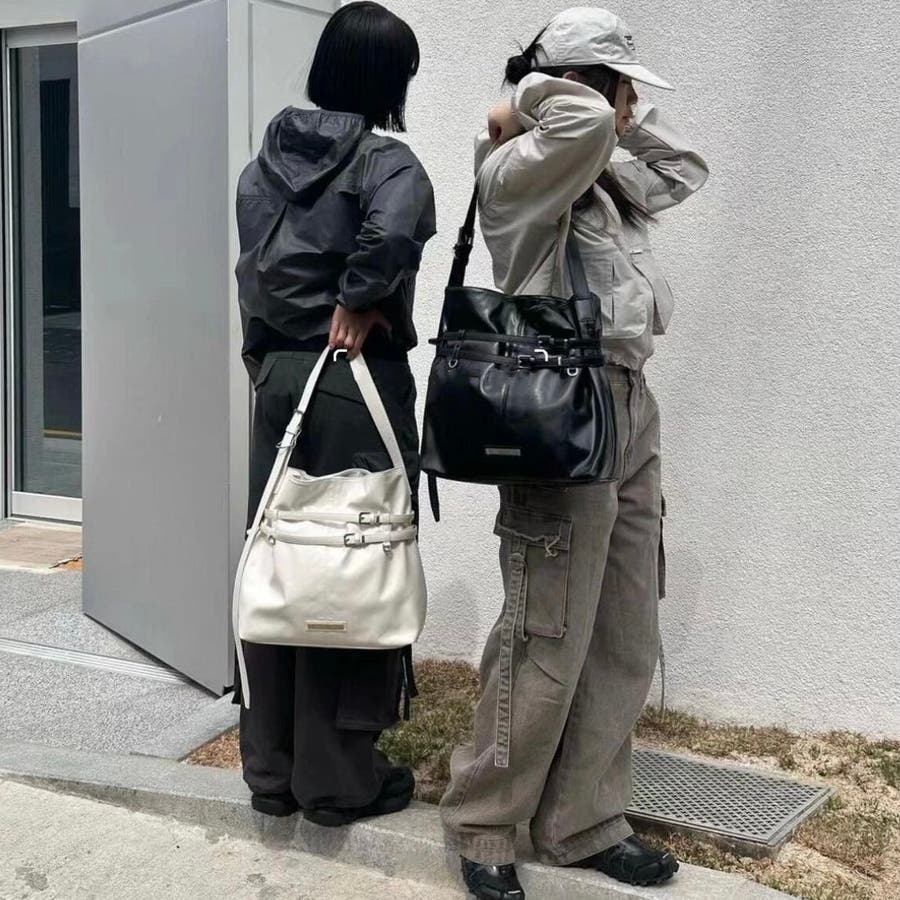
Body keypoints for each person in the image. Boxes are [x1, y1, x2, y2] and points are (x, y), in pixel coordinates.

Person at [438, 7, 708, 898]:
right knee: (545, 628)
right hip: (560, 410)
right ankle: (485, 822)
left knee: (625, 628)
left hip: (629, 404)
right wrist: (530, 97)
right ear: (584, 85)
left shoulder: (600, 168)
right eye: (622, 86)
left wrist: (629, 114)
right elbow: (582, 119)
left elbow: (686, 170)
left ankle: (582, 821)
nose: (630, 104)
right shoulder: (519, 167)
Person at [233, 1, 436, 827]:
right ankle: (336, 780)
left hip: (281, 380)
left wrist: (271, 360)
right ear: (386, 79)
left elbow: (255, 276)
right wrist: (358, 298)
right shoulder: (387, 162)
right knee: (353, 556)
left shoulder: (262, 166)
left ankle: (271, 771)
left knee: (283, 555)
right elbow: (392, 232)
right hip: (355, 377)